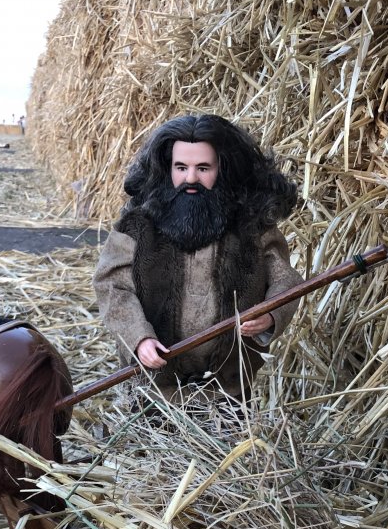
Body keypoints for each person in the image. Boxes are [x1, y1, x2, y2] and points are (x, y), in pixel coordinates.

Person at [93, 114, 302, 398]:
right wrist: (138, 337)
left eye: (203, 168)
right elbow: (113, 286)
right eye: (181, 167)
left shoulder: (253, 226)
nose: (190, 178)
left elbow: (285, 280)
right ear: (167, 168)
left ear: (224, 169)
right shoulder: (138, 226)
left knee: (229, 440)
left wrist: (271, 314)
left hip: (229, 387)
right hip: (155, 388)